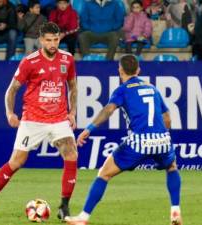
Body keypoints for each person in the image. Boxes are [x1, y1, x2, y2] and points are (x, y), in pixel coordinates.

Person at [65, 55, 182, 225]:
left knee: (104, 174)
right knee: (172, 167)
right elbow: (168, 120)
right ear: (138, 70)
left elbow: (108, 110)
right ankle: (175, 211)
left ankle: (83, 217)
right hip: (163, 139)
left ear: (120, 70)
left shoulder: (122, 90)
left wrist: (89, 129)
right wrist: (160, 137)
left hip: (140, 142)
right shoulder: (152, 88)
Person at [0, 22, 78, 222]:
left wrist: (73, 111)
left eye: (56, 39)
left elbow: (72, 86)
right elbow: (12, 89)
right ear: (41, 40)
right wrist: (9, 113)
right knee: (17, 162)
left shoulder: (67, 59)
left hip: (58, 118)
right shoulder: (29, 62)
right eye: (49, 40)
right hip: (32, 119)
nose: (53, 44)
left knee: (71, 154)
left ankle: (64, 207)